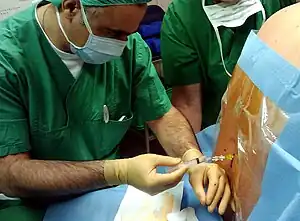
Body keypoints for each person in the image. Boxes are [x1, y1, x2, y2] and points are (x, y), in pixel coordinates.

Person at [0, 0, 231, 220]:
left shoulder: (129, 48)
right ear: (71, 6)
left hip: (102, 190)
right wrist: (117, 171)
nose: (121, 46)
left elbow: (162, 115)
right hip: (31, 203)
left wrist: (193, 158)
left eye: (128, 35)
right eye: (112, 33)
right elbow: (10, 172)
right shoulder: (8, 58)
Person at [161, 0, 295, 133]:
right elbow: (188, 104)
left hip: (286, 122)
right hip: (219, 131)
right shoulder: (183, 17)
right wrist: (191, 152)